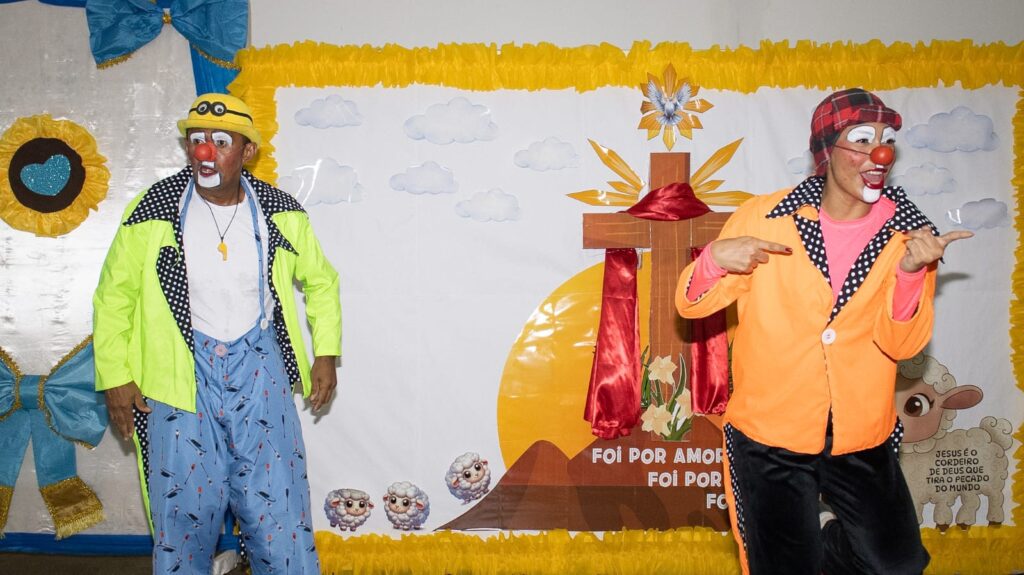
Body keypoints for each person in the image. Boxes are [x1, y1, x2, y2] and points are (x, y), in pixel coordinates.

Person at [675, 89, 972, 575]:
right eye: (863, 140)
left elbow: (902, 344)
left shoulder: (910, 237)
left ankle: (829, 542)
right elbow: (692, 304)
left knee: (897, 565)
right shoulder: (764, 216)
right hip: (772, 432)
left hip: (860, 431)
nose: (880, 154)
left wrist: (911, 274)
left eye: (887, 141)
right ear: (827, 149)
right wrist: (712, 262)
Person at [93, 93, 340, 574]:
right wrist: (115, 376)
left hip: (259, 368)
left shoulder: (279, 211)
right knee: (183, 508)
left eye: (220, 142)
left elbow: (322, 281)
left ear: (248, 151)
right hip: (179, 375)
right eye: (196, 140)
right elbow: (113, 296)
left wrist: (326, 352)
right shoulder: (153, 209)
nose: (204, 153)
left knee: (278, 508)